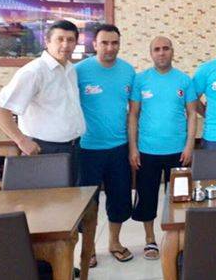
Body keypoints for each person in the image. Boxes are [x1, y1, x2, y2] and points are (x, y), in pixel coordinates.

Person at [0, 19, 85, 184]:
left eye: (70, 40)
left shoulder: (70, 69)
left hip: (73, 147)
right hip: (45, 150)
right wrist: (21, 140)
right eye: (60, 39)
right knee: (48, 198)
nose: (65, 44)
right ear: (47, 42)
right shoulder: (34, 72)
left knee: (70, 196)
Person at [129, 36, 197, 260]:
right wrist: (133, 148)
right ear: (151, 53)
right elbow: (133, 115)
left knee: (180, 198)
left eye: (165, 48)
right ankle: (150, 239)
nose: (161, 53)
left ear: (172, 51)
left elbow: (192, 114)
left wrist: (190, 145)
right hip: (147, 151)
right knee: (147, 196)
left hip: (178, 152)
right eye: (157, 49)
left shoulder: (184, 80)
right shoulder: (141, 80)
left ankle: (178, 239)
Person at [75, 24, 135, 266]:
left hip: (119, 147)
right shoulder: (79, 71)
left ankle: (114, 242)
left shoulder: (128, 71)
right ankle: (88, 248)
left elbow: (133, 111)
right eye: (104, 43)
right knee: (88, 202)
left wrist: (133, 146)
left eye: (114, 43)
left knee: (119, 198)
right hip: (87, 148)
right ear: (94, 44)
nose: (110, 48)